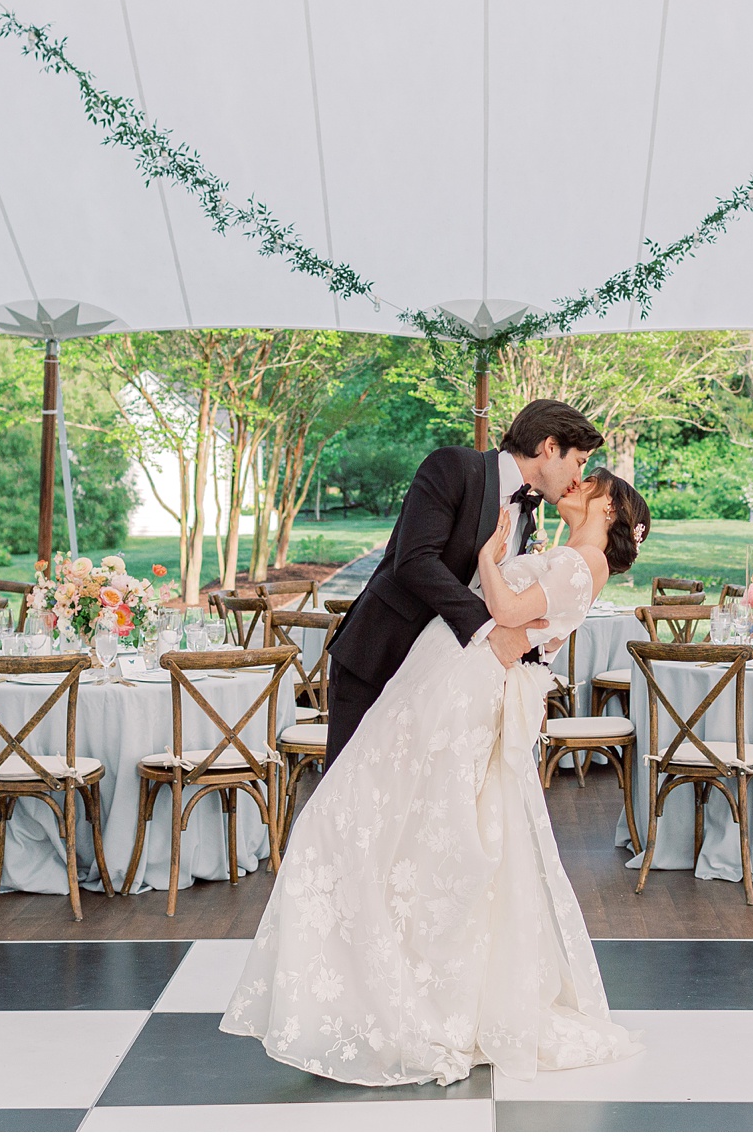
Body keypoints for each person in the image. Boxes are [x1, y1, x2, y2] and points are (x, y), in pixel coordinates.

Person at [222, 465, 652, 1086]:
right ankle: (380, 987)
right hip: (447, 678)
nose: (577, 483)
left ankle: (405, 995)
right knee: (404, 832)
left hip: (459, 689)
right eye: (580, 471)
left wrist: (487, 557)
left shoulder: (582, 563)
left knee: (385, 824)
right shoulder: (569, 557)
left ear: (610, 510)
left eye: (592, 483)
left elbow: (505, 610)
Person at [320, 399, 603, 771]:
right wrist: (491, 630)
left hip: (438, 685)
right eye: (579, 461)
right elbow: (415, 561)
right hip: (381, 660)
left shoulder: (526, 519)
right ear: (550, 447)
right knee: (350, 791)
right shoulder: (453, 466)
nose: (579, 478)